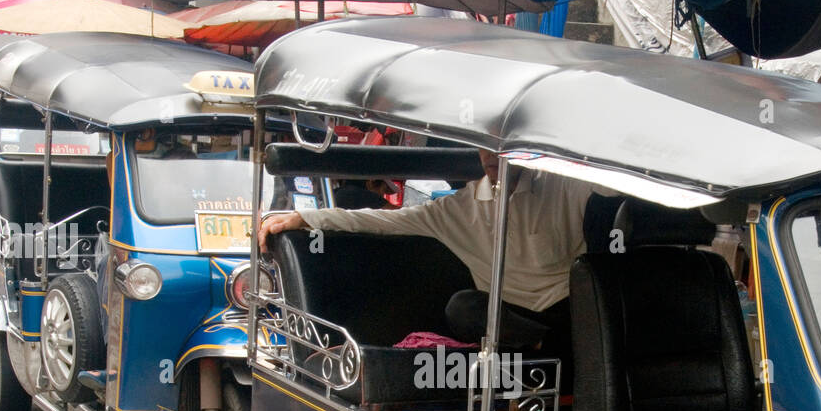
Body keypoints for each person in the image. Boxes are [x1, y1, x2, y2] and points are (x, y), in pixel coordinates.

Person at [257, 150, 600, 349]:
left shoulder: (566, 186)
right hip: (503, 319)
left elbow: (614, 191)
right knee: (462, 307)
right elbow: (385, 221)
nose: (491, 157)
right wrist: (307, 217)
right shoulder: (462, 208)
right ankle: (543, 347)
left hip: (568, 311)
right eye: (485, 146)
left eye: (501, 147)